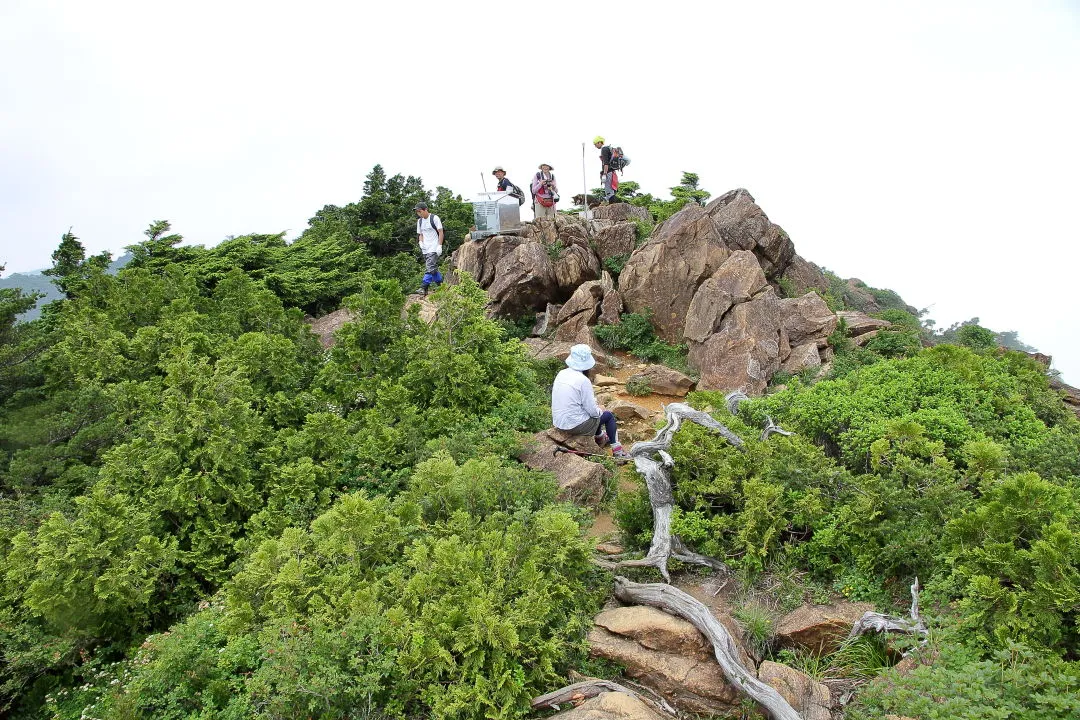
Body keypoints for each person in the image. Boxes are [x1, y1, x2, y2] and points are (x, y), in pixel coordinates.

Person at [552, 344, 630, 460]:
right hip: (574, 425)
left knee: (594, 414)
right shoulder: (583, 380)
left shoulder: (561, 373)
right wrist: (600, 410)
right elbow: (593, 412)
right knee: (607, 416)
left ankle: (599, 438)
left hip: (559, 422)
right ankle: (618, 452)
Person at [414, 202, 443, 294]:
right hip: (425, 248)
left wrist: (439, 245)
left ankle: (423, 287)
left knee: (429, 266)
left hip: (434, 247)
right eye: (417, 212)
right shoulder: (420, 221)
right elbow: (420, 234)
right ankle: (442, 285)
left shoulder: (434, 218)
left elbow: (441, 232)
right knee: (432, 269)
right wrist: (420, 242)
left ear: (425, 210)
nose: (419, 213)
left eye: (420, 211)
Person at [593, 136, 618, 203]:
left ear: (599, 142)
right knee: (611, 190)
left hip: (608, 172)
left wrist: (604, 174)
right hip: (612, 172)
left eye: (595, 144)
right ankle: (612, 206)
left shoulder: (604, 149)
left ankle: (611, 207)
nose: (595, 146)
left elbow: (606, 163)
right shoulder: (608, 148)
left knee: (609, 191)